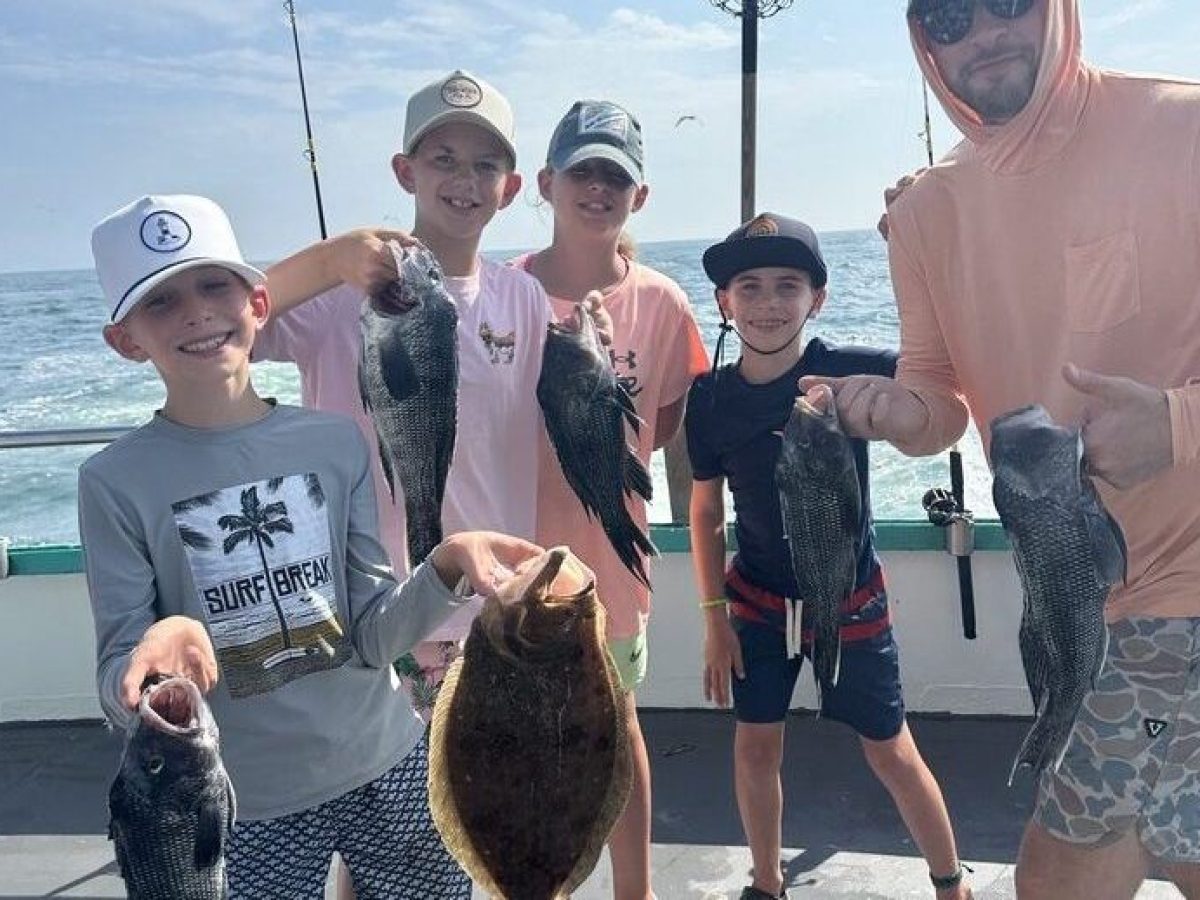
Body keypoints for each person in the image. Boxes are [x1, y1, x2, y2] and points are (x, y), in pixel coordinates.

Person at [811, 2, 1200, 897]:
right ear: (922, 39)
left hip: (1177, 593)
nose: (982, 32)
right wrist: (897, 415)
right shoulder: (923, 212)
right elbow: (938, 394)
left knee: (1062, 874)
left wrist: (1177, 423)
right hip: (1073, 605)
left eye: (1007, 2)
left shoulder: (1181, 129)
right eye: (948, 15)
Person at [79, 193, 542, 898]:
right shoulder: (112, 481)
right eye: (162, 303)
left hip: (391, 760)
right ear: (125, 340)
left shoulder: (332, 440)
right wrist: (153, 670)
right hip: (245, 804)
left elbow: (373, 633)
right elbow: (122, 676)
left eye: (213, 285)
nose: (198, 312)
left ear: (258, 302)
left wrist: (446, 566)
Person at [685, 214, 972, 900]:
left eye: (789, 285)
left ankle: (951, 884)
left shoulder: (855, 368)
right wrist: (713, 618)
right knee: (756, 748)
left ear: (819, 298)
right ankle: (766, 882)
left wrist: (922, 250)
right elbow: (703, 512)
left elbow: (946, 384)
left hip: (850, 600)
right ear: (724, 303)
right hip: (755, 603)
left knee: (891, 749)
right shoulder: (711, 399)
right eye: (747, 287)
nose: (767, 302)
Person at [257, 69, 556, 718]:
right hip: (363, 609)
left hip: (489, 607)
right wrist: (330, 259)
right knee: (379, 812)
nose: (464, 180)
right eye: (442, 160)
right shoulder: (339, 292)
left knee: (481, 806)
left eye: (485, 165)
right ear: (404, 172)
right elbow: (234, 322)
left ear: (509, 189)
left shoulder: (524, 298)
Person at [510, 99, 709, 900]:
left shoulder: (663, 304)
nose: (598, 188)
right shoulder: (498, 294)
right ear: (548, 183)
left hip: (611, 572)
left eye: (615, 176)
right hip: (512, 567)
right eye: (582, 171)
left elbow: (660, 431)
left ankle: (637, 894)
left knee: (616, 731)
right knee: (519, 741)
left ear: (640, 197)